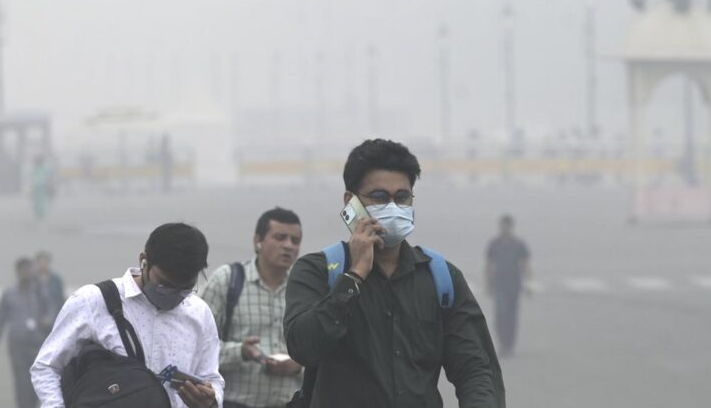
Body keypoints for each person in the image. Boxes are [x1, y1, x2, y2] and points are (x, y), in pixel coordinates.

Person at [285, 138, 505, 408]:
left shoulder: (441, 278)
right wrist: (354, 276)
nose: (392, 207)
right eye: (379, 197)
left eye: (401, 197)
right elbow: (303, 348)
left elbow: (475, 369)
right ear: (350, 202)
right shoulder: (316, 271)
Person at [31, 223, 225, 408]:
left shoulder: (199, 313)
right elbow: (47, 367)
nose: (173, 294)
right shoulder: (93, 301)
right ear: (144, 260)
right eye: (164, 284)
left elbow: (212, 378)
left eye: (185, 288)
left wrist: (211, 400)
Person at [200, 207, 304, 408]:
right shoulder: (227, 280)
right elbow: (198, 347)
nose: (288, 246)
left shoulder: (304, 288)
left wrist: (298, 366)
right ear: (258, 241)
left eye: (295, 241)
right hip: (236, 402)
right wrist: (241, 352)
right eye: (280, 237)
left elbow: (323, 352)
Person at [0, 257, 48, 408]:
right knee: (21, 379)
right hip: (17, 344)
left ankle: (33, 403)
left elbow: (49, 315)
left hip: (37, 342)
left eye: (29, 270)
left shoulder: (39, 292)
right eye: (24, 270)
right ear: (18, 272)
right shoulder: (9, 294)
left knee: (36, 377)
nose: (27, 273)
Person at [484, 214, 531, 357]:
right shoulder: (494, 244)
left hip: (514, 284)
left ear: (511, 227)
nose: (505, 228)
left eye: (507, 225)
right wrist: (487, 283)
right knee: (500, 314)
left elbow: (525, 264)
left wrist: (528, 283)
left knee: (512, 315)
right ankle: (503, 343)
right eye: (503, 225)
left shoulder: (519, 245)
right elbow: (489, 264)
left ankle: (509, 345)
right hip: (499, 284)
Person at [34, 251, 65, 334]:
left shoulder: (56, 280)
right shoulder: (32, 280)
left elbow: (59, 300)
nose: (43, 265)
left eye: (45, 262)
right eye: (40, 262)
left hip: (53, 319)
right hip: (37, 320)